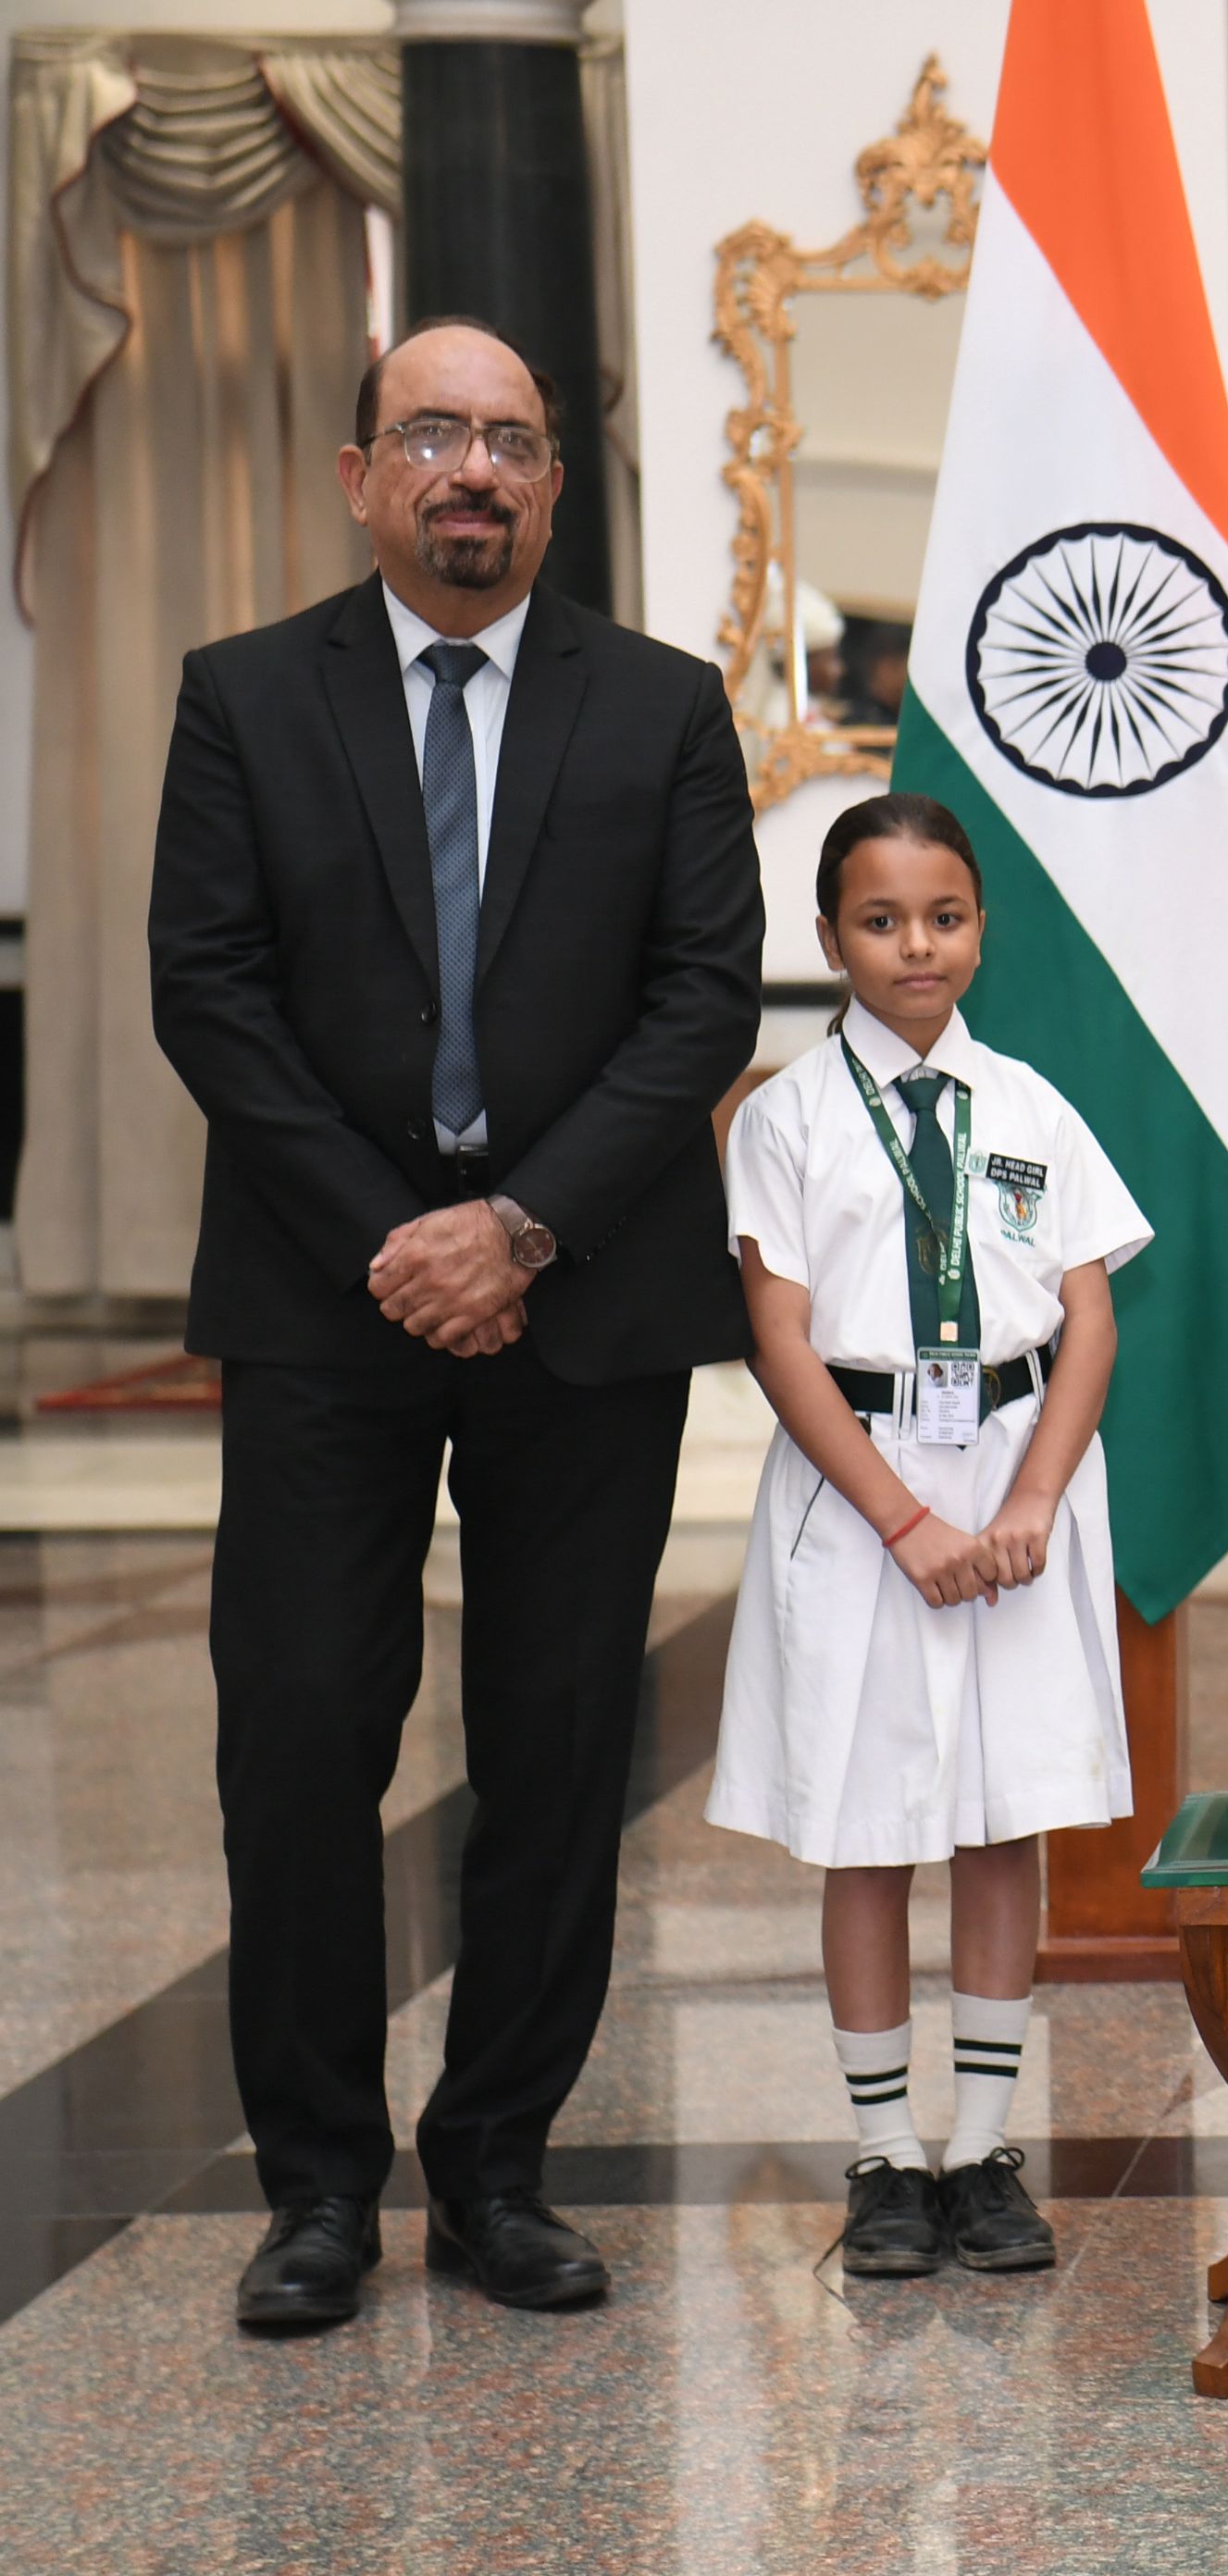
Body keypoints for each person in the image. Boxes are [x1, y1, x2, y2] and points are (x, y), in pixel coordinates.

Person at [151, 317, 763, 2331]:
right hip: (322, 1305)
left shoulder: (663, 708)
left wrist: (515, 1228)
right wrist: (402, 1245)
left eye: (509, 439)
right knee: (299, 1736)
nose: (471, 469)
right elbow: (208, 992)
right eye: (431, 434)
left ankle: (498, 2169)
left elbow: (703, 995)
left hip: (585, 1299)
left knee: (559, 1746)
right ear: (362, 478)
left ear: (555, 487)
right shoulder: (244, 697)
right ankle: (318, 2188)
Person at [706, 794, 1147, 2280]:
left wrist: (1031, 1502)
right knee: (870, 1822)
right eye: (882, 921)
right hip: (862, 1487)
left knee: (1003, 1815)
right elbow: (779, 1340)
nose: (917, 946)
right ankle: (889, 2151)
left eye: (945, 917)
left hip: (1016, 1479)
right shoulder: (784, 1119)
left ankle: (984, 2148)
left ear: (981, 928)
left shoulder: (1029, 1107)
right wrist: (901, 1518)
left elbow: (1089, 1320)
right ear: (829, 937)